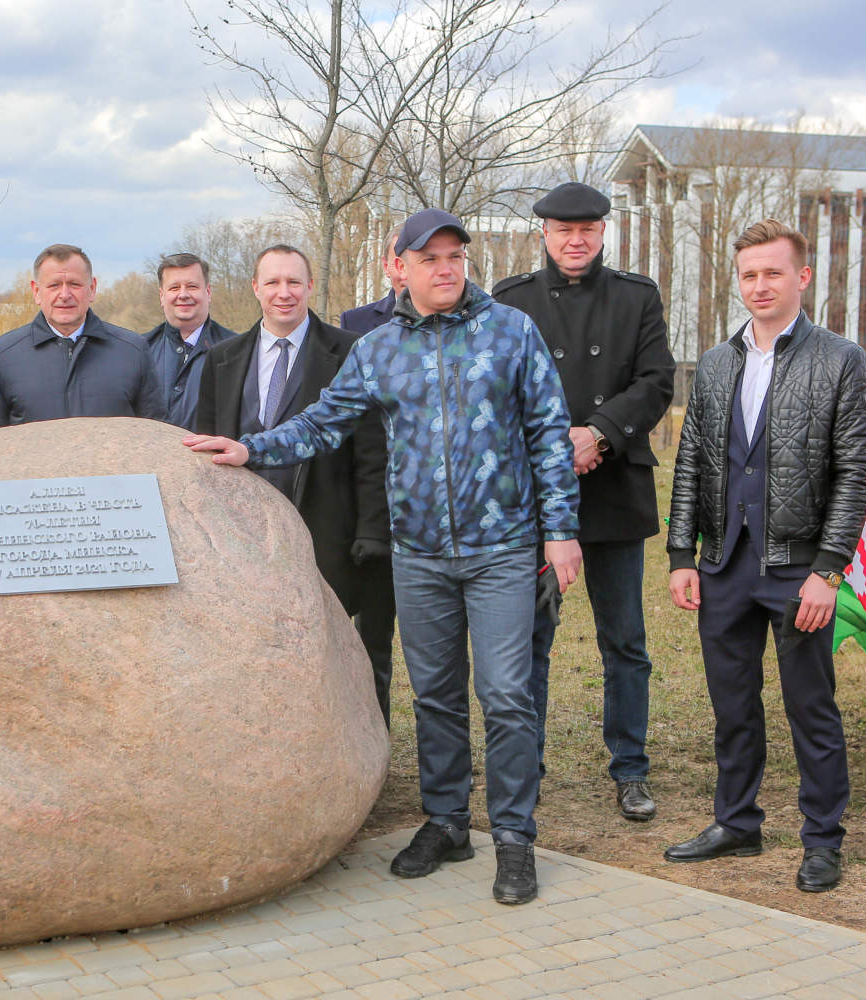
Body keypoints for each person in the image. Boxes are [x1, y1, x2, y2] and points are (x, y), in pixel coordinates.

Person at [186, 210, 582, 905]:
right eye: (428, 258)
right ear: (397, 267)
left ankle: (515, 838)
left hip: (502, 550)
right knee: (433, 696)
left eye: (454, 256)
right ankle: (448, 821)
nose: (445, 269)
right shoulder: (378, 349)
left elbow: (550, 432)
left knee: (507, 695)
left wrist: (560, 530)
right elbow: (323, 422)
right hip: (419, 554)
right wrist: (253, 447)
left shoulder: (510, 331)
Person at [664, 219, 866, 893]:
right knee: (733, 705)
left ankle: (822, 840)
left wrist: (829, 569)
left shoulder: (840, 360)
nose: (760, 285)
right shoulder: (718, 361)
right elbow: (693, 459)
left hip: (798, 567)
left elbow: (855, 473)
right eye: (750, 274)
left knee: (811, 708)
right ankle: (737, 822)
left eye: (773, 273)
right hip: (723, 562)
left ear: (802, 277)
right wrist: (680, 553)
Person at [490, 182, 674, 822]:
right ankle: (526, 767)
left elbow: (656, 382)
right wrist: (554, 447)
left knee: (624, 639)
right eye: (564, 230)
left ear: (603, 232)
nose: (576, 240)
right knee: (531, 639)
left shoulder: (636, 296)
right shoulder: (510, 302)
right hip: (539, 498)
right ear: (544, 233)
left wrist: (598, 433)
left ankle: (630, 768)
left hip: (615, 486)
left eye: (588, 230)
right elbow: (495, 390)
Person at [194, 245, 390, 710]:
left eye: (294, 282)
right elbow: (203, 447)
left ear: (309, 287)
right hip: (245, 535)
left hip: (331, 529)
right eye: (274, 282)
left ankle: (367, 752)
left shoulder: (350, 353)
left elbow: (372, 452)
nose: (284, 293)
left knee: (351, 655)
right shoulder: (221, 359)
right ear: (255, 288)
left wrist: (371, 532)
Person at [0, 244, 163, 432]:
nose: (65, 295)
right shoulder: (3, 355)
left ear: (92, 288)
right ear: (36, 291)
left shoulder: (133, 350)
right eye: (54, 285)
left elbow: (157, 433)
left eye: (74, 284)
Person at [337, 227, 406, 724]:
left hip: (427, 505)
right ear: (389, 265)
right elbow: (339, 414)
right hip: (369, 494)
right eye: (402, 256)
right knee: (367, 638)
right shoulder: (356, 327)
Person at [144, 252, 235, 431]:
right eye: (174, 288)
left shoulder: (236, 351)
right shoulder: (139, 351)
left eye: (192, 286)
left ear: (208, 292)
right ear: (162, 296)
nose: (183, 295)